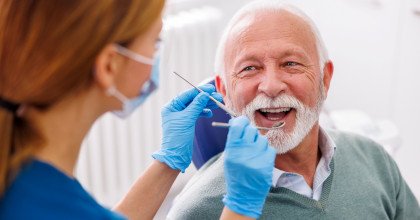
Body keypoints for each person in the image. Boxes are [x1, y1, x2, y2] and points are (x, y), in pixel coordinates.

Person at [0, 1, 276, 219]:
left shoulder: (24, 173)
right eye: (155, 43)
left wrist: (168, 162)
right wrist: (241, 206)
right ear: (109, 65)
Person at [168, 1, 420, 219]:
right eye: (249, 68)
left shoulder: (375, 160)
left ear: (325, 78)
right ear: (223, 91)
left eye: (291, 64)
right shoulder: (198, 211)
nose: (271, 86)